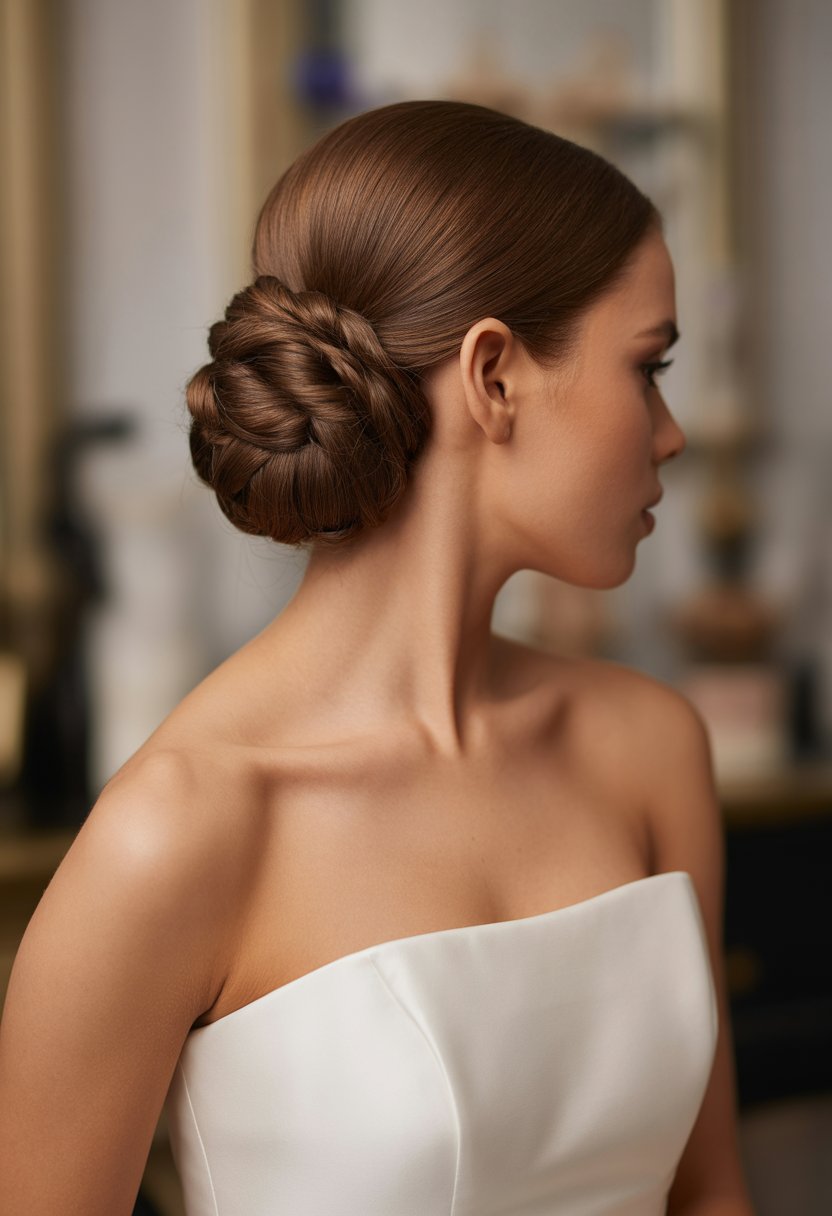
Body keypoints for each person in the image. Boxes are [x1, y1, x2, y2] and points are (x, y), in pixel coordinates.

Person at [0, 99, 757, 1216]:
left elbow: (707, 1195)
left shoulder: (648, 747)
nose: (670, 430)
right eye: (648, 366)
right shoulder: (180, 830)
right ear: (492, 375)